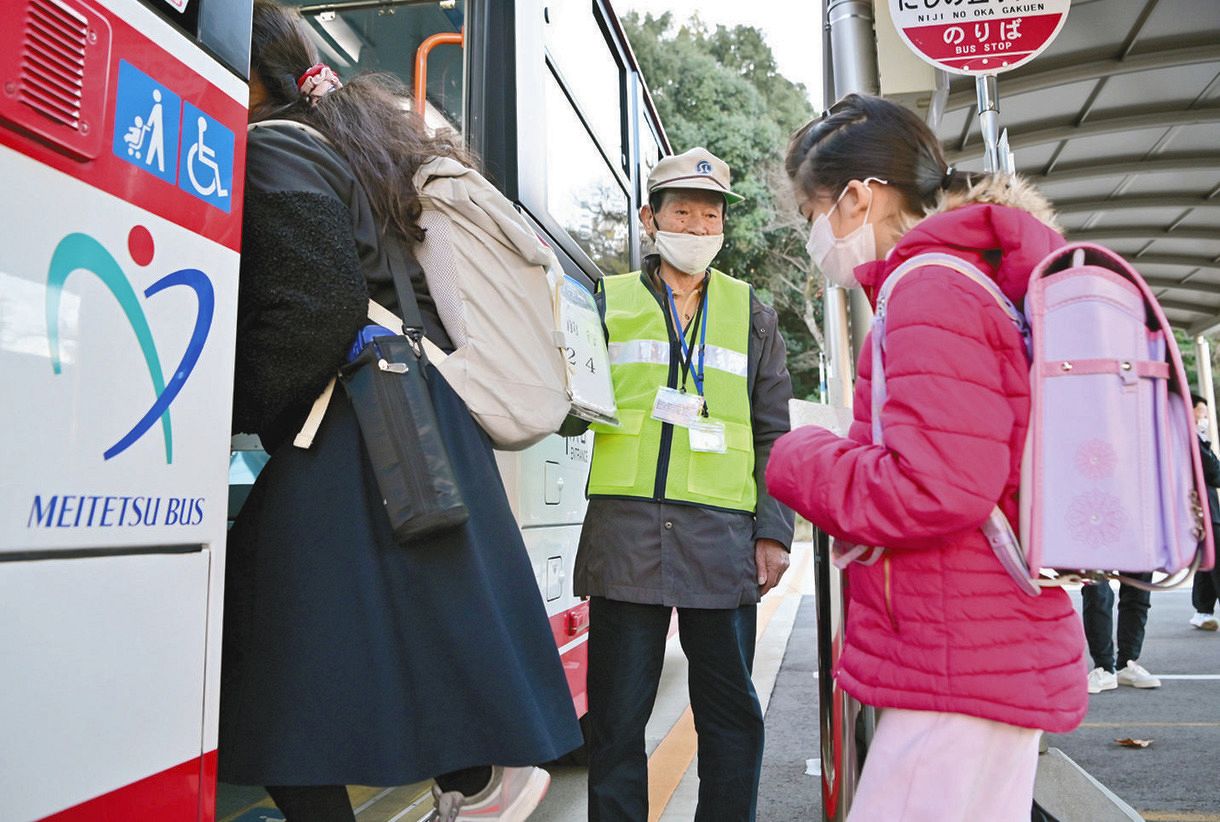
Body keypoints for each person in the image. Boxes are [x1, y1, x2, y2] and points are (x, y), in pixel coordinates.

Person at [219, 3, 582, 820]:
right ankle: (475, 780)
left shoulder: (273, 145)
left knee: (272, 672)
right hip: (411, 419)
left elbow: (315, 303)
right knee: (364, 644)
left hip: (361, 429)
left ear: (246, 74)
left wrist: (231, 407)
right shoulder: (350, 143)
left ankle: (478, 781)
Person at [764, 94, 1088, 821]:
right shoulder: (973, 278)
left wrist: (797, 456)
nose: (812, 235)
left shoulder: (928, 287)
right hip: (985, 638)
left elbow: (936, 486)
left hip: (957, 649)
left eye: (809, 213)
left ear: (857, 197)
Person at [568, 147, 795, 821]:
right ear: (651, 219)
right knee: (613, 718)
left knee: (730, 713)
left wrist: (773, 531)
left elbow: (772, 433)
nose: (697, 228)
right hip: (627, 538)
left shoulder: (752, 313)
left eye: (709, 216)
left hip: (721, 540)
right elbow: (570, 412)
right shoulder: (604, 302)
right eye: (683, 213)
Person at [1190, 393, 1220, 631]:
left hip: (1207, 510)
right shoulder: (1190, 441)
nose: (1205, 419)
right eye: (1203, 413)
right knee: (1215, 558)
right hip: (1203, 511)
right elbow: (1214, 472)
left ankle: (1203, 610)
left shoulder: (1198, 442)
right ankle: (1202, 609)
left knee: (1208, 560)